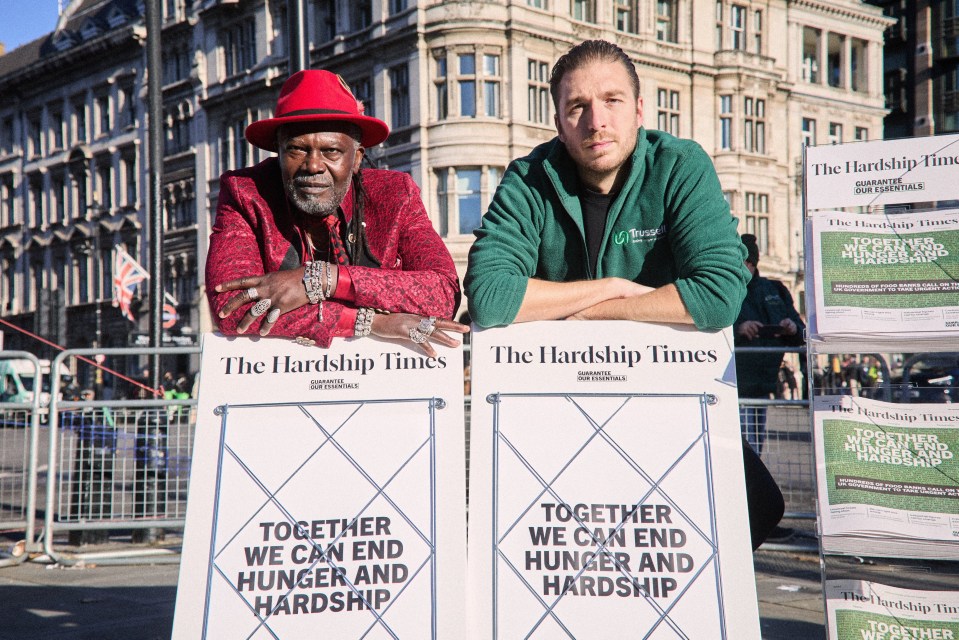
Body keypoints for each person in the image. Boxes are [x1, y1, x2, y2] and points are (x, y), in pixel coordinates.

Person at [464, 39, 783, 550]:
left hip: (670, 397)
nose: (596, 121)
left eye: (611, 101)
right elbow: (490, 296)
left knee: (759, 506)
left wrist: (593, 314)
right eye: (578, 107)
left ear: (639, 110)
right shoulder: (529, 177)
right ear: (559, 120)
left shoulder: (679, 165)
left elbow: (719, 291)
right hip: (557, 401)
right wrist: (611, 287)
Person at [206, 70, 468, 355]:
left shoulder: (396, 193)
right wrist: (369, 321)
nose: (313, 165)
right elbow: (230, 308)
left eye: (331, 151)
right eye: (296, 150)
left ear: (356, 158)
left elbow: (442, 294)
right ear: (278, 154)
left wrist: (324, 280)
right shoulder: (245, 193)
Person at [734, 233, 805, 455]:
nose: (745, 267)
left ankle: (750, 486)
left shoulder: (775, 289)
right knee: (744, 446)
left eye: (748, 263)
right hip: (736, 384)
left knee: (755, 446)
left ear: (754, 264)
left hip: (764, 384)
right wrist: (739, 329)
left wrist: (791, 328)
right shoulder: (728, 291)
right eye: (741, 263)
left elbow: (801, 332)